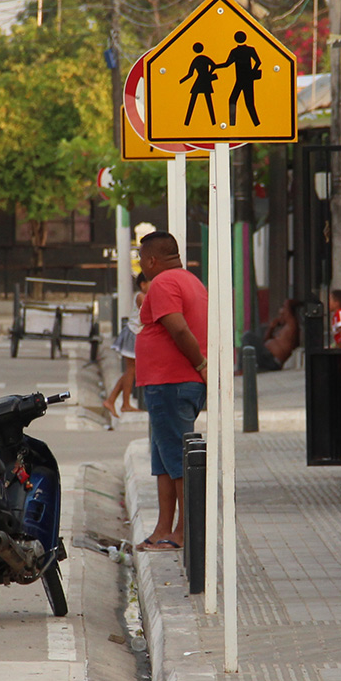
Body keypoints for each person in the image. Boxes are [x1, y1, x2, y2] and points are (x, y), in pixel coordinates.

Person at [133, 232, 207, 552]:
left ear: (152, 260)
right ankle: (164, 528)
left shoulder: (163, 283)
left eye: (140, 258)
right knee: (164, 460)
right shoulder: (190, 280)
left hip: (171, 383)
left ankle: (183, 532)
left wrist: (201, 364)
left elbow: (178, 327)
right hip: (167, 383)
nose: (141, 265)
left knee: (177, 459)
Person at [104, 282, 148, 418]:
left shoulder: (144, 295)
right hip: (133, 334)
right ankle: (125, 404)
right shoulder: (141, 296)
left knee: (131, 371)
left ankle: (112, 400)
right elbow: (148, 313)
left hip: (135, 334)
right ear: (143, 284)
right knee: (131, 370)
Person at [221, 30, 262, 128]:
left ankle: (253, 124)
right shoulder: (249, 50)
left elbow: (227, 64)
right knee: (244, 102)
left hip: (243, 79)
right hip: (244, 79)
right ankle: (234, 125)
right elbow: (258, 62)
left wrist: (216, 66)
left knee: (238, 101)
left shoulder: (235, 51)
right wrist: (252, 71)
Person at [251, 298, 302, 373]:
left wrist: (302, 302)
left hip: (273, 361)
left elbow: (287, 303)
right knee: (251, 341)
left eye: (282, 315)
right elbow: (266, 340)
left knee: (248, 336)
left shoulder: (291, 325)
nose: (279, 317)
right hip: (267, 358)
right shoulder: (281, 329)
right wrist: (271, 328)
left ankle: (241, 368)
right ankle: (247, 367)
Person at [179, 43, 220, 126]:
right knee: (208, 101)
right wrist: (209, 73)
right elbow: (214, 66)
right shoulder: (204, 58)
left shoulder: (196, 60)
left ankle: (187, 122)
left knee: (194, 100)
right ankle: (213, 122)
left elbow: (190, 74)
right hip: (205, 80)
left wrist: (181, 81)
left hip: (200, 80)